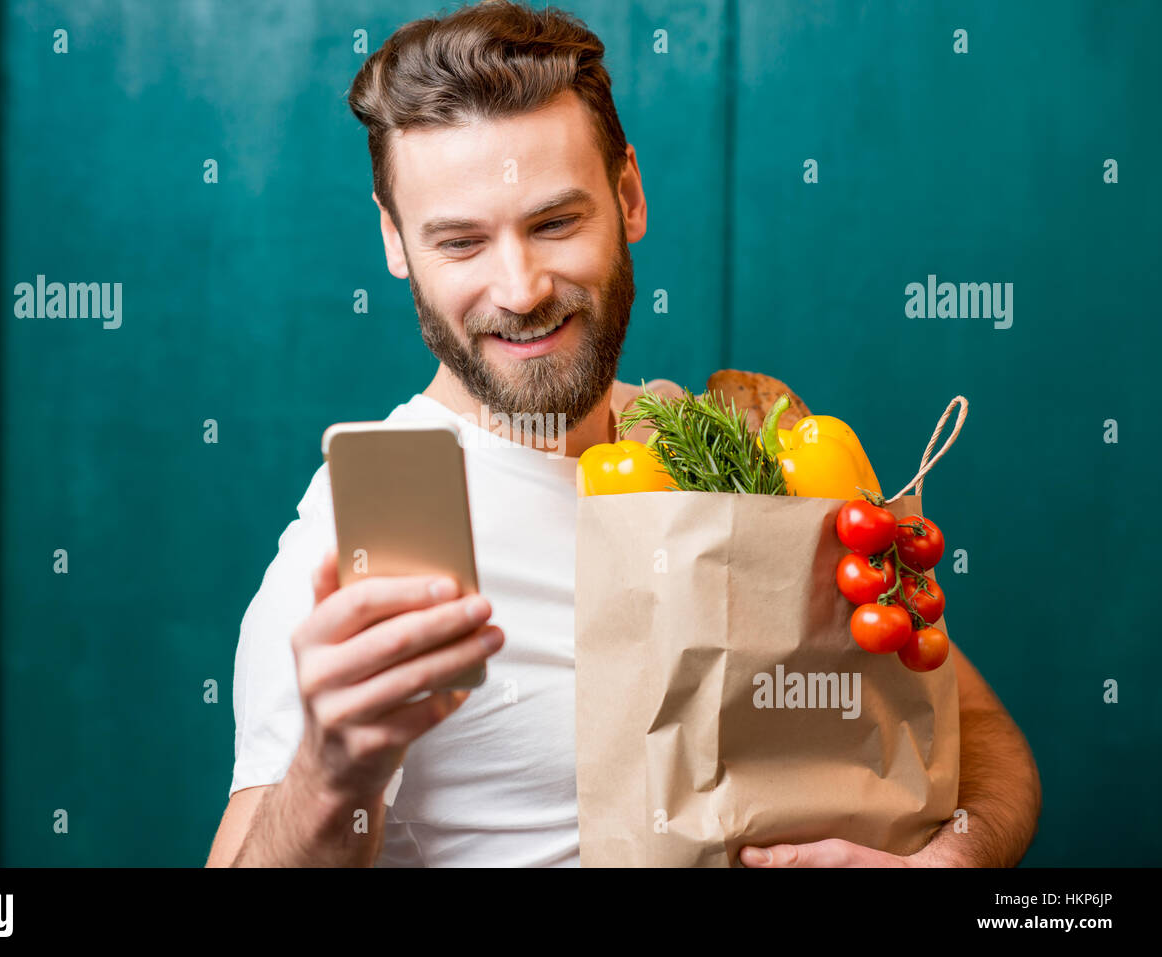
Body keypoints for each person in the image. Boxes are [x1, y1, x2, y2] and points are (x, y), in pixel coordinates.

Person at [206, 0, 1040, 867]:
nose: (521, 286)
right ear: (395, 241)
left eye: (555, 222)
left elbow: (969, 719)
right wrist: (330, 772)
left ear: (629, 196)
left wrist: (958, 859)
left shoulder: (722, 444)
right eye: (460, 242)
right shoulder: (377, 533)